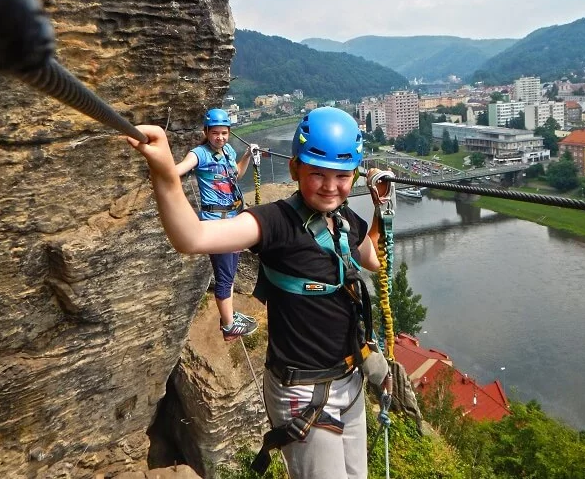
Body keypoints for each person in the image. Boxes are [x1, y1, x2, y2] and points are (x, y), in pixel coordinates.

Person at [128, 107, 391, 479]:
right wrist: (164, 173)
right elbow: (193, 238)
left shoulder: (346, 220)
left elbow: (374, 259)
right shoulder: (274, 222)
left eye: (343, 176)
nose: (331, 186)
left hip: (349, 379)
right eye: (317, 173)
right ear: (295, 169)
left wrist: (380, 207)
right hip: (303, 390)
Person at [175, 108, 258, 341]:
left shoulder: (228, 151)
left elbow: (236, 175)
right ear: (206, 132)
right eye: (215, 133)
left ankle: (228, 316)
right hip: (216, 223)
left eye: (224, 133)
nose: (220, 137)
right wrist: (162, 168)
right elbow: (178, 170)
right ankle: (229, 326)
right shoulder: (199, 154)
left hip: (232, 219)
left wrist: (247, 156)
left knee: (230, 275)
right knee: (224, 277)